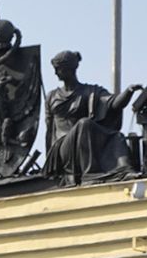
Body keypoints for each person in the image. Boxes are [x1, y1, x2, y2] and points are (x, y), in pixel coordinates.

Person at [43, 50, 140, 186]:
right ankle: (90, 174)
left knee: (115, 136)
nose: (55, 73)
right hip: (63, 148)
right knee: (84, 123)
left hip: (83, 142)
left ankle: (124, 171)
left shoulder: (89, 91)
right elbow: (49, 130)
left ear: (69, 69)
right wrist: (50, 166)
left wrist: (128, 91)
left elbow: (113, 104)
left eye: (58, 69)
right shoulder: (52, 96)